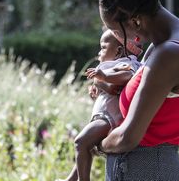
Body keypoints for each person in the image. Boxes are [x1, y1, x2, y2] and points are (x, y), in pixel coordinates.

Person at [97, 0, 179, 180]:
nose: (117, 39)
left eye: (116, 31)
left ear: (135, 21)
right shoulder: (162, 46)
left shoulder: (169, 55)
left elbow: (128, 137)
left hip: (152, 171)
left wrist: (95, 143)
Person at [61, 28, 142, 181]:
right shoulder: (111, 65)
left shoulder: (125, 64)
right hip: (104, 116)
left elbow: (127, 75)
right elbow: (109, 91)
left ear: (118, 52)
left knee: (80, 142)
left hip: (109, 119)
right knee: (87, 147)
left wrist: (104, 77)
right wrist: (97, 92)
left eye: (103, 47)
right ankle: (73, 178)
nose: (99, 52)